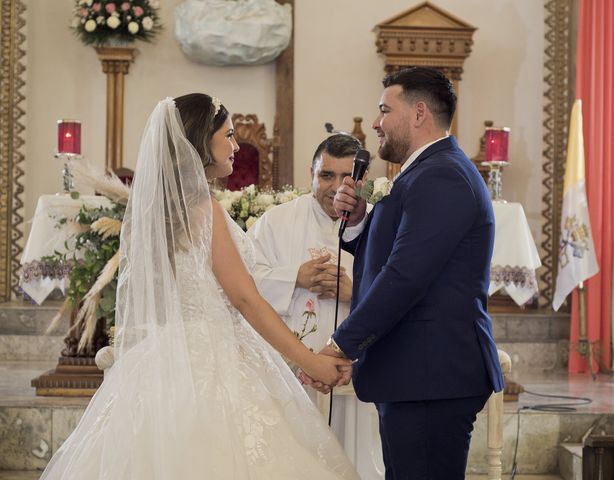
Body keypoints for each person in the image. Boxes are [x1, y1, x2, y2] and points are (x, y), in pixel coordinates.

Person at [39, 94, 359, 480]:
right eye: (227, 135)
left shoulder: (163, 210)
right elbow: (244, 298)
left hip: (167, 354)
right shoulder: (204, 209)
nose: (237, 145)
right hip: (214, 357)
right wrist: (311, 362)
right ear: (201, 143)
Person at [318, 67, 505, 479]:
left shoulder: (443, 176)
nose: (375, 123)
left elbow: (404, 277)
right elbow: (392, 257)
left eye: (385, 110)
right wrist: (360, 220)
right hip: (419, 370)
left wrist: (340, 346)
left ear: (419, 113)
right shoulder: (425, 172)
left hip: (431, 374)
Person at [247, 134, 364, 444]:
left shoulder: (375, 226)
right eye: (326, 175)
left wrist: (355, 293)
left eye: (347, 177)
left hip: (352, 373)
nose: (337, 187)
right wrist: (295, 278)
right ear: (310, 174)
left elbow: (398, 293)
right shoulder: (275, 223)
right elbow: (243, 286)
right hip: (289, 372)